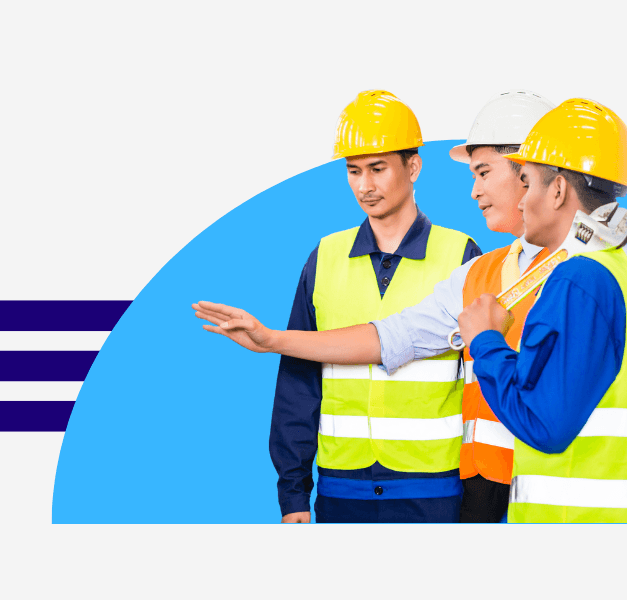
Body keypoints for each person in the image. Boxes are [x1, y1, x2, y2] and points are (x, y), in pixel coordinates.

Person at [195, 91, 627, 522]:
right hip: (486, 491)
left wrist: (587, 397)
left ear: (539, 173)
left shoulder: (605, 265)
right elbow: (392, 338)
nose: (475, 191)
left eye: (485, 172)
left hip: (558, 487)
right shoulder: (481, 271)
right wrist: (273, 340)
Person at [198, 90, 481, 523]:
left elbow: (481, 384)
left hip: (435, 487)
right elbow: (298, 380)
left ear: (413, 166)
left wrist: (482, 494)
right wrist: (293, 493)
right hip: (342, 487)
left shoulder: (460, 255)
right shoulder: (325, 258)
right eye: (353, 171)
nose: (365, 186)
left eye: (378, 169)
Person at [456, 97, 627, 522]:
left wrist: (486, 341)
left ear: (557, 190)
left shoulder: (576, 281)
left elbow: (544, 426)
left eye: (528, 182)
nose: (520, 200)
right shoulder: (614, 271)